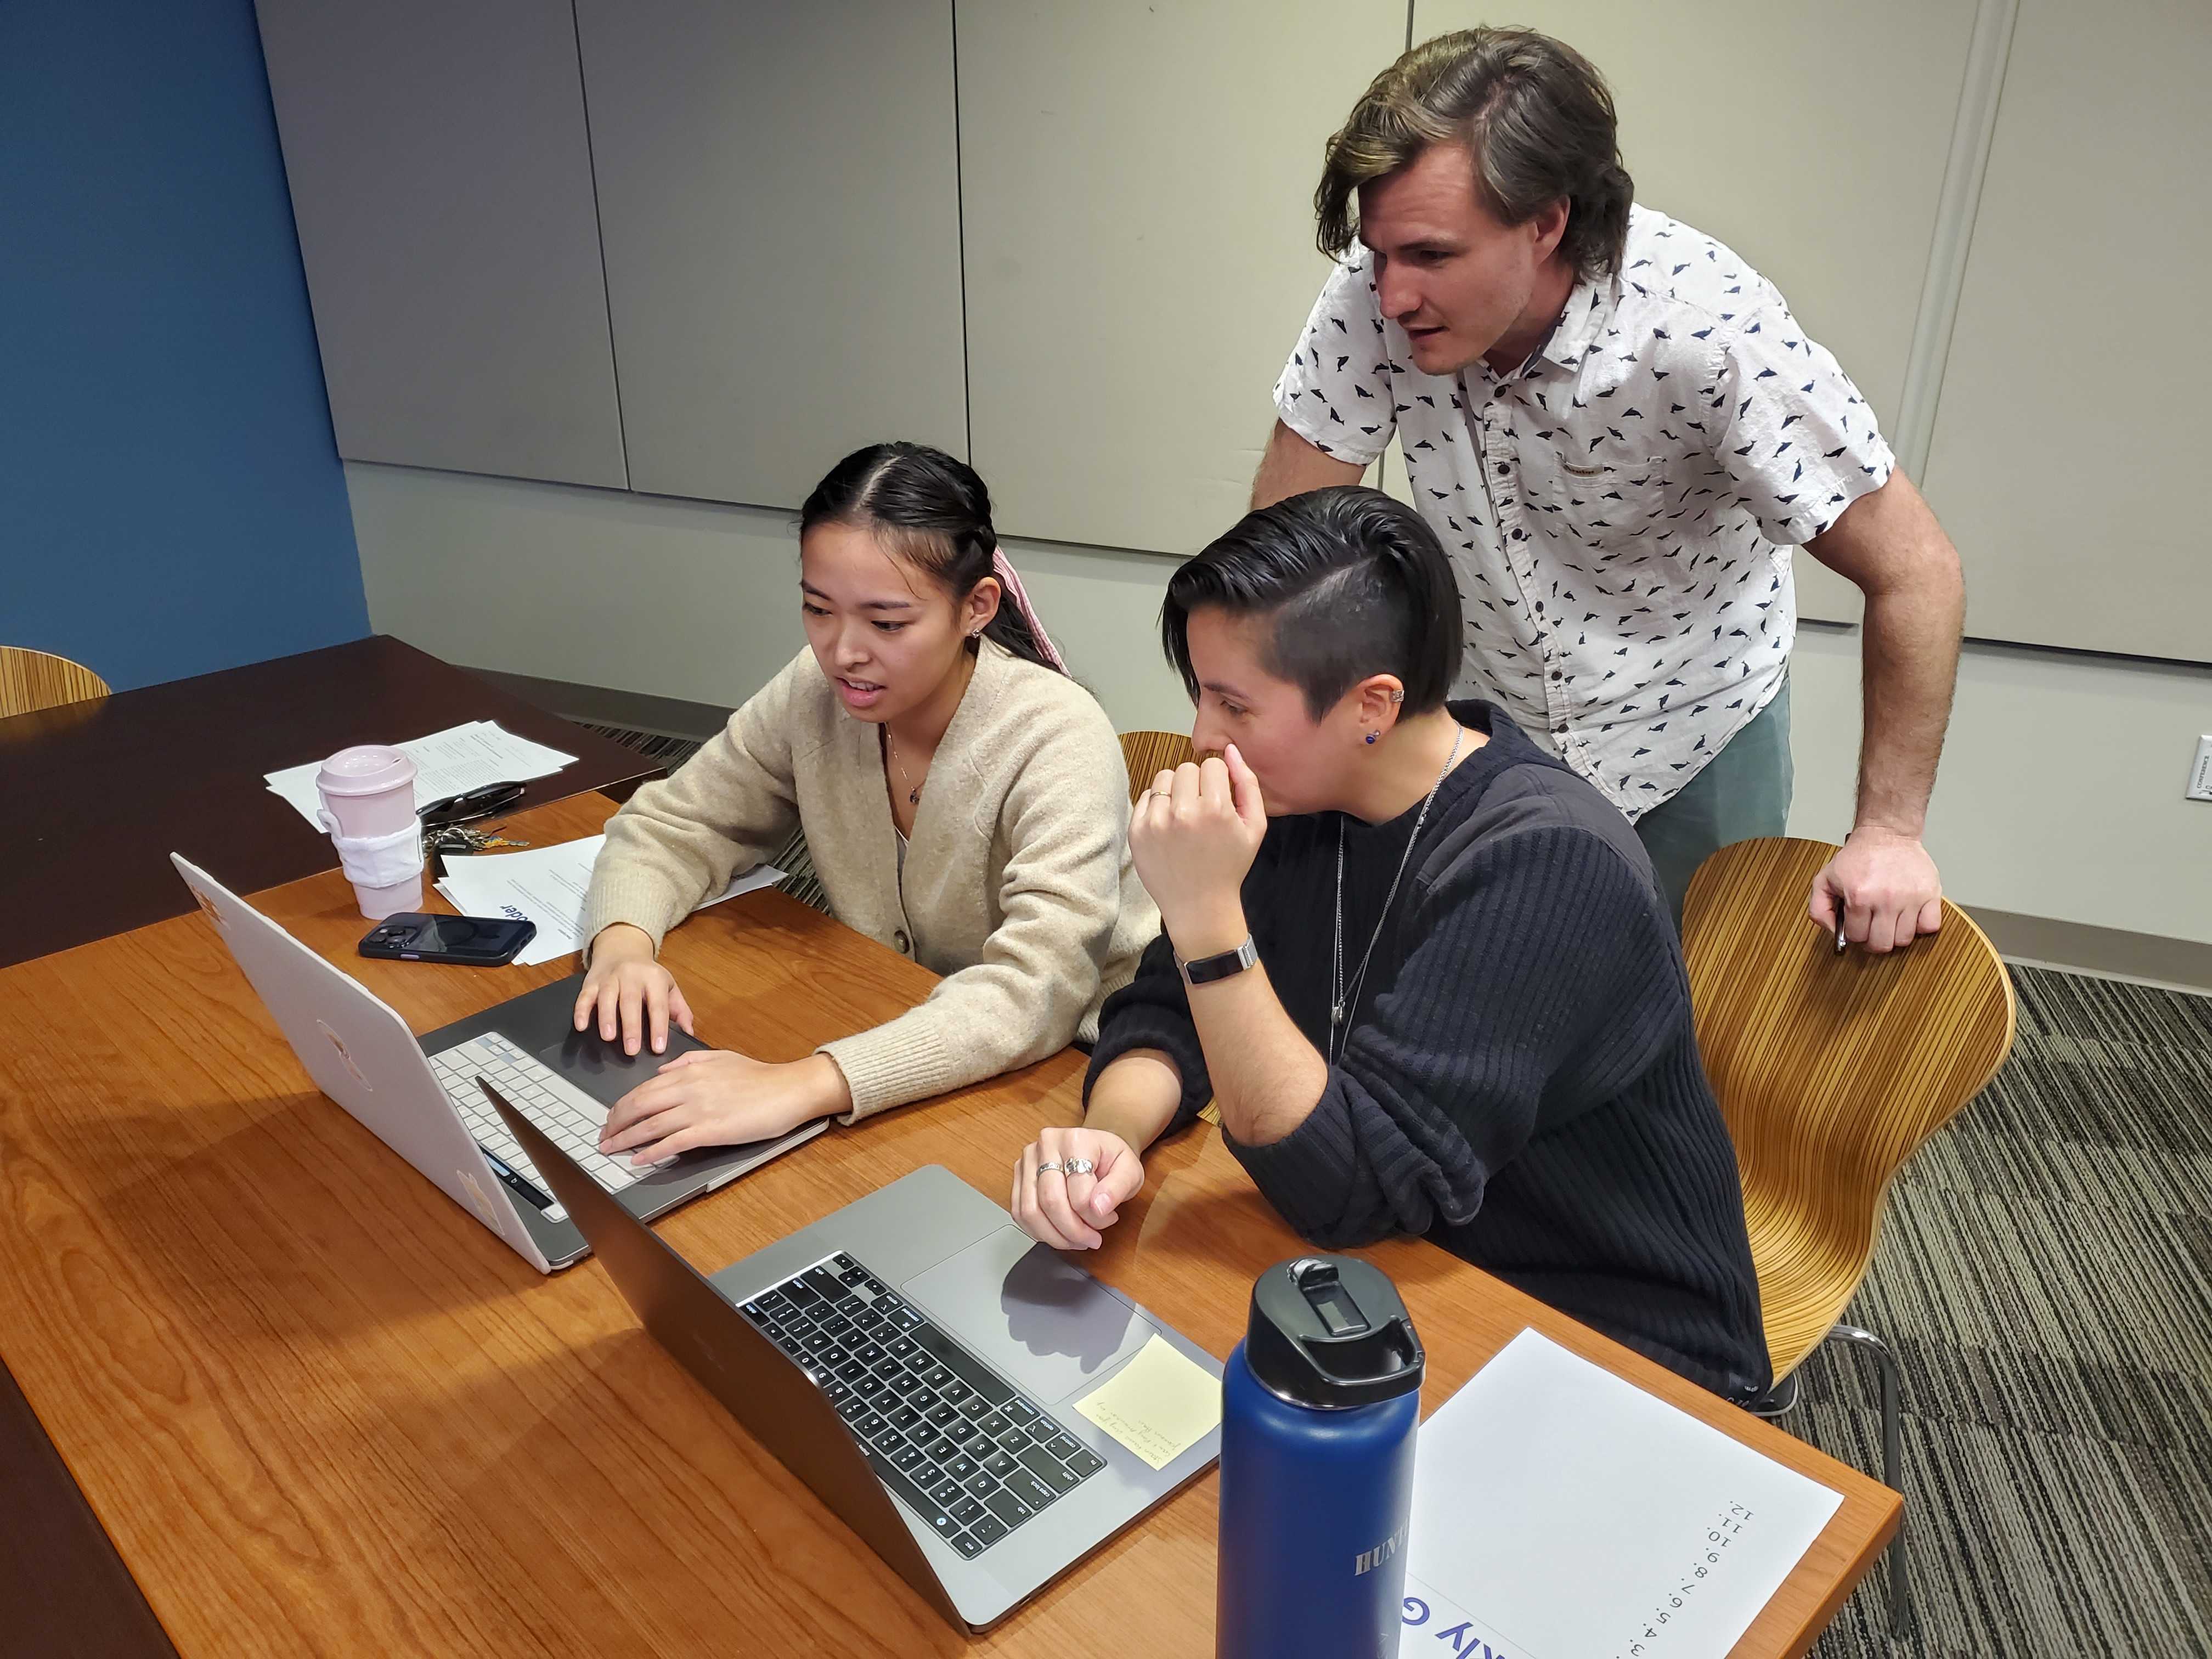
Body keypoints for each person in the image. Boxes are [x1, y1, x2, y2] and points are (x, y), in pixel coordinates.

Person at [1011, 486, 1770, 1400]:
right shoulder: (1299, 796)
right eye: (1200, 696)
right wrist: (1109, 1140)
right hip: (1398, 1271)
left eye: (1234, 706)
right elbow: (1170, 1013)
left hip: (1610, 1340)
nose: (1204, 737)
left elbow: (1353, 1190)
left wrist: (1207, 917)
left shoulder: (1548, 863)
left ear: (1373, 704)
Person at [1253, 27, 1965, 950]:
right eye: (1377, 254)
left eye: (1431, 256)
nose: (1390, 296)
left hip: (1689, 723)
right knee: (1481, 1007)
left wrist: (1890, 832)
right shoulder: (1376, 292)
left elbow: (1919, 571)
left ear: (1546, 222)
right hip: (1490, 715)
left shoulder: (1709, 332)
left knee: (1688, 1030)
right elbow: (1283, 554)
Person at [575, 441, 1158, 1166]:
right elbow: (678, 821)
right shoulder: (814, 692)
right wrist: (624, 949)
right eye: (818, 609)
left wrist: (802, 1084)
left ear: (976, 607)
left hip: (1078, 1071)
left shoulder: (1056, 735)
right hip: (904, 1022)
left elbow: (1035, 991)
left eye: (886, 624)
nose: (841, 652)